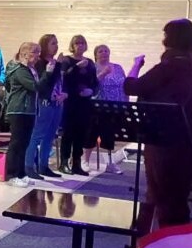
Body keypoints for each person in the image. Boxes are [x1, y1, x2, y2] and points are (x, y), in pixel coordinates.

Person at [124, 19, 192, 235]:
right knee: (178, 194)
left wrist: (136, 65)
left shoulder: (169, 66)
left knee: (161, 195)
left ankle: (161, 245)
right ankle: (168, 243)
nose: (163, 40)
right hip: (191, 134)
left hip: (164, 135)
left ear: (172, 39)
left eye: (166, 35)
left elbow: (131, 86)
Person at [4, 42, 53, 186]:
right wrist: (48, 72)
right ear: (24, 54)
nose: (38, 56)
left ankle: (21, 173)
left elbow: (42, 88)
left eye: (38, 52)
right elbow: (35, 87)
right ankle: (12, 175)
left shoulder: (31, 70)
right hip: (19, 109)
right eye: (35, 53)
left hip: (29, 110)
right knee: (17, 143)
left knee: (24, 143)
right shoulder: (19, 70)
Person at [26, 34, 66, 178]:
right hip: (44, 102)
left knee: (50, 136)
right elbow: (46, 83)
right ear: (44, 45)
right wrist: (58, 66)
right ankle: (29, 166)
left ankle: (44, 165)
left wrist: (64, 94)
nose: (56, 46)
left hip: (58, 102)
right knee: (37, 135)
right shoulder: (40, 63)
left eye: (57, 43)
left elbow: (60, 81)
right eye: (53, 43)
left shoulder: (54, 62)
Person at [84, 44, 128, 173]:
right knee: (92, 133)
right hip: (97, 105)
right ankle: (85, 160)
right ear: (96, 54)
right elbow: (91, 84)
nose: (104, 53)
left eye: (106, 51)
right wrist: (103, 73)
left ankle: (110, 162)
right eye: (100, 51)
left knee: (109, 134)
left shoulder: (118, 67)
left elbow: (124, 85)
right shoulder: (92, 68)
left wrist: (125, 102)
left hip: (115, 106)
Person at [58, 34, 97, 176]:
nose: (80, 45)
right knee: (68, 133)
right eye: (77, 43)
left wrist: (91, 91)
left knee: (81, 133)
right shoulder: (68, 60)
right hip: (71, 101)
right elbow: (64, 78)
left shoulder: (90, 62)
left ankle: (76, 164)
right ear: (72, 46)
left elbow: (95, 82)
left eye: (82, 43)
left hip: (85, 103)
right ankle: (63, 163)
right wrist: (75, 67)